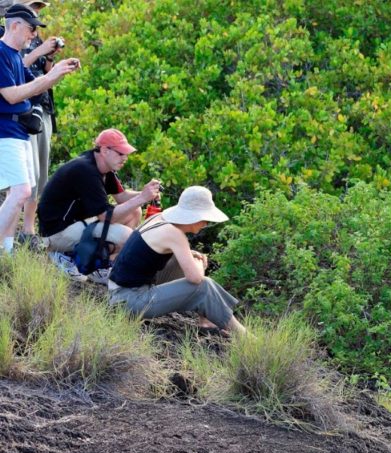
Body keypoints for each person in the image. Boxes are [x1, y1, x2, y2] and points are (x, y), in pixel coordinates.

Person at [108, 186, 246, 335]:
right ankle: (244, 337)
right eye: (205, 219)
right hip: (129, 301)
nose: (206, 224)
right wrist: (199, 266)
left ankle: (207, 320)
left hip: (118, 294)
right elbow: (196, 279)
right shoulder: (174, 234)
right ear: (195, 216)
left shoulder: (159, 218)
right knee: (203, 285)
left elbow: (146, 250)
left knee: (189, 262)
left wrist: (188, 254)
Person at [0, 3, 78, 256]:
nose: (34, 34)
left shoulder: (14, 55)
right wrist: (50, 76)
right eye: (32, 28)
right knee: (22, 190)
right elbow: (11, 95)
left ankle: (8, 251)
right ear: (15, 25)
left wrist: (56, 70)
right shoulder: (1, 53)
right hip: (6, 129)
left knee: (21, 190)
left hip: (19, 129)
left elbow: (33, 88)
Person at [37, 128, 161, 282]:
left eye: (126, 154)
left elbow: (122, 197)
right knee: (127, 237)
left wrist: (147, 193)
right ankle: (65, 255)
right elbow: (105, 216)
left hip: (75, 224)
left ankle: (102, 265)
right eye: (120, 153)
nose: (125, 158)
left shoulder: (104, 167)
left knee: (134, 211)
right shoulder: (85, 170)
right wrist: (143, 197)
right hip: (55, 233)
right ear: (104, 150)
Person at [16, 0, 63, 248]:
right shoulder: (10, 36)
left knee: (41, 170)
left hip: (42, 109)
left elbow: (45, 76)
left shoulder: (35, 36)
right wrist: (39, 49)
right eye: (32, 7)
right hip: (23, 112)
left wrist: (49, 59)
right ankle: (21, 229)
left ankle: (29, 228)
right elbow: (16, 66)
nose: (36, 12)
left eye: (38, 9)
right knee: (28, 173)